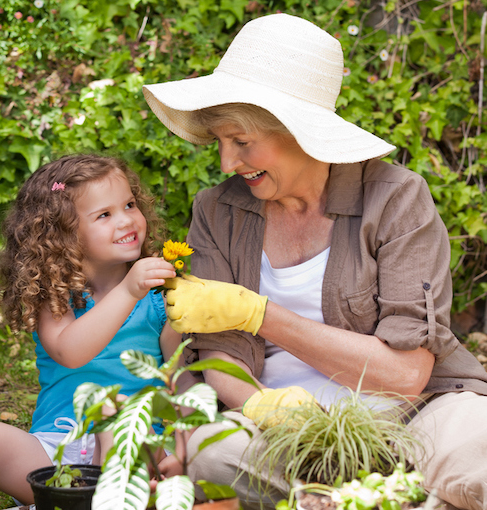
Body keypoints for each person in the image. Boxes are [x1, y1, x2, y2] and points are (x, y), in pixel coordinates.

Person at [142, 13, 487, 510]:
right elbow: (220, 355)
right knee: (212, 454)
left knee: (478, 448)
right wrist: (283, 420)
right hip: (277, 430)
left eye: (241, 141)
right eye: (220, 142)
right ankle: (389, 496)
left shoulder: (396, 200)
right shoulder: (217, 210)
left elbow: (408, 374)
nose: (226, 163)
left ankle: (364, 493)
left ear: (299, 130)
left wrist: (262, 314)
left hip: (412, 415)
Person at [0, 154, 186, 504]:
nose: (127, 220)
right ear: (64, 234)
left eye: (129, 204)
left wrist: (180, 449)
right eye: (105, 215)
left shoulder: (160, 297)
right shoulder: (55, 295)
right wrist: (129, 292)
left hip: (134, 449)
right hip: (53, 456)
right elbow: (70, 351)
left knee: (117, 412)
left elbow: (182, 379)